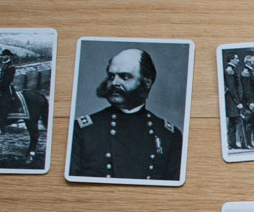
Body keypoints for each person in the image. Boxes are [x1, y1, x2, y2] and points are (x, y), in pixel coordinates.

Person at [68, 47, 182, 181]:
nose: (115, 83)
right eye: (111, 76)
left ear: (147, 83)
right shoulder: (83, 131)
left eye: (125, 76)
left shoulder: (169, 136)